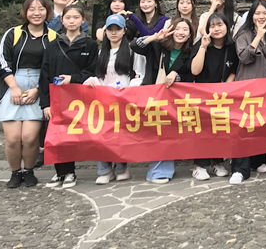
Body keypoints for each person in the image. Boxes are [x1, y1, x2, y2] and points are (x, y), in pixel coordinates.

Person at [0, 0, 56, 188]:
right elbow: (2, 61)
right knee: (12, 139)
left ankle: (28, 170)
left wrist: (38, 90)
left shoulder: (53, 37)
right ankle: (15, 172)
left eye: (41, 9)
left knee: (29, 138)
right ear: (25, 12)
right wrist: (14, 87)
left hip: (39, 85)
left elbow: (54, 67)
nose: (36, 13)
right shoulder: (13, 33)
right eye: (32, 9)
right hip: (11, 83)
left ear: (47, 12)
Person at [131, 18, 196, 183]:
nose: (181, 32)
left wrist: (176, 75)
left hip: (174, 100)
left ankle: (160, 171)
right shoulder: (158, 46)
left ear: (190, 34)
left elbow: (190, 76)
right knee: (156, 133)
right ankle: (157, 170)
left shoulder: (190, 52)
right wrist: (154, 37)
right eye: (178, 28)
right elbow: (134, 46)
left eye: (185, 30)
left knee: (166, 133)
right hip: (152, 96)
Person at [83, 14, 146, 184]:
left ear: (124, 31)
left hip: (124, 99)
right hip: (103, 99)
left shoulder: (133, 52)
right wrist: (92, 82)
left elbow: (139, 75)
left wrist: (128, 90)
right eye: (110, 29)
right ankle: (104, 169)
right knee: (102, 135)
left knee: (120, 135)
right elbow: (99, 76)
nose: (113, 33)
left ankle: (121, 168)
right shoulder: (100, 53)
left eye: (117, 29)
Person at [41, 4, 98, 189]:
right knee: (57, 134)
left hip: (78, 98)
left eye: (76, 17)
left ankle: (70, 172)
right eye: (68, 18)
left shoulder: (90, 44)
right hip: (56, 97)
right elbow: (45, 75)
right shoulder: (53, 45)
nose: (72, 21)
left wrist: (73, 78)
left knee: (71, 135)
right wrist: (45, 103)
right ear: (62, 20)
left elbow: (92, 71)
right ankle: (59, 172)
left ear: (83, 20)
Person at [230, 0, 266, 183]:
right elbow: (244, 57)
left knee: (261, 124)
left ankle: (257, 160)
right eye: (257, 13)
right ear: (251, 16)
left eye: (265, 13)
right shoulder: (243, 34)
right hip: (246, 87)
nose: (261, 17)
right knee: (243, 126)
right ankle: (239, 169)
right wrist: (258, 36)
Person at [189, 13, 238, 181]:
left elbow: (234, 70)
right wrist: (203, 47)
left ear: (227, 27)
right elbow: (195, 70)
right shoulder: (201, 44)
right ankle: (199, 166)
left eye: (220, 25)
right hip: (202, 95)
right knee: (203, 130)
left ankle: (216, 162)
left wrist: (226, 87)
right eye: (212, 26)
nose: (216, 29)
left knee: (219, 128)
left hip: (222, 96)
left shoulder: (232, 46)